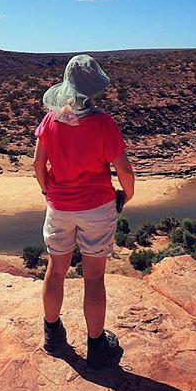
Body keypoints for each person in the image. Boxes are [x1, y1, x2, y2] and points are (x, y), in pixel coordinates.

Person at [32, 54, 135, 369]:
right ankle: (96, 346)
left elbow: (38, 165)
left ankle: (52, 335)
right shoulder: (104, 123)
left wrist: (48, 191)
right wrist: (124, 197)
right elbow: (125, 171)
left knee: (56, 270)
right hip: (97, 208)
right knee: (93, 278)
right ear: (94, 89)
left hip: (60, 207)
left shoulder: (51, 121)